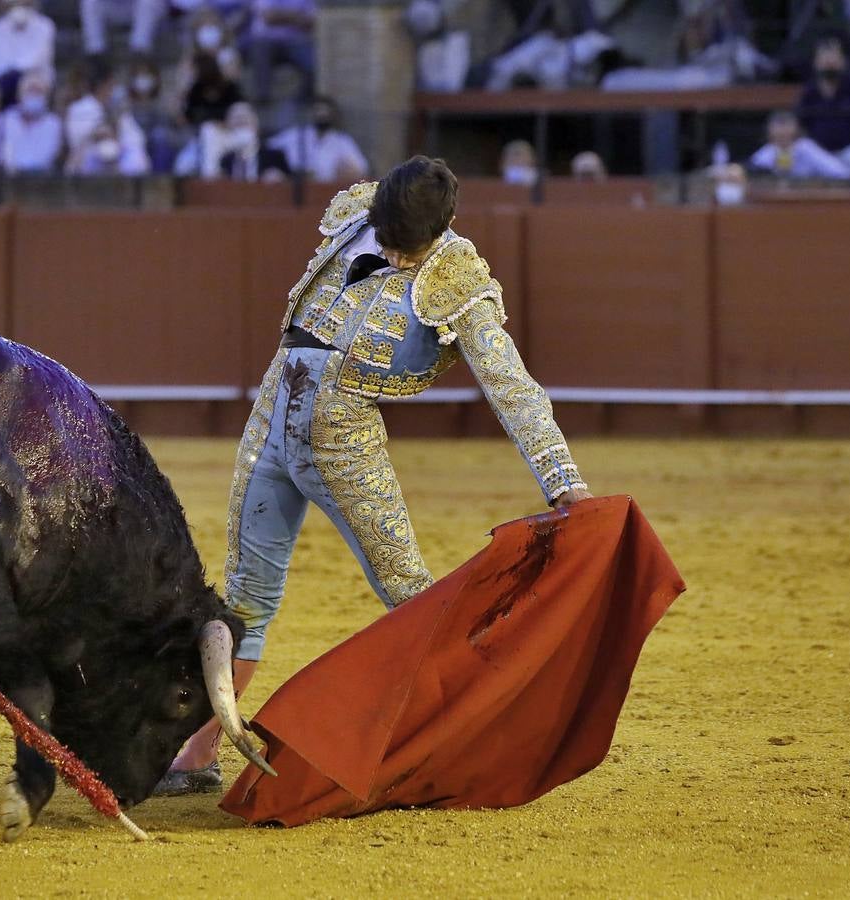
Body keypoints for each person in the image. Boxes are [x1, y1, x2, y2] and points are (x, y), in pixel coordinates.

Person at [155, 156, 591, 795]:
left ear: (438, 233)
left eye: (404, 245)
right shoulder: (355, 216)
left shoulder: (457, 277)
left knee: (411, 594)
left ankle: (467, 740)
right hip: (270, 419)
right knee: (246, 593)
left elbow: (513, 388)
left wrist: (562, 480)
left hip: (344, 440)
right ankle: (196, 757)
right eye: (386, 235)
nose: (390, 251)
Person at [795, 36, 850, 157]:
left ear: (842, 62)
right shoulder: (809, 91)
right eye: (825, 60)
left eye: (834, 59)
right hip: (819, 154)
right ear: (816, 63)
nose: (830, 63)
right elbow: (799, 123)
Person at [267, 95, 369, 184]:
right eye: (318, 111)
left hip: (327, 189)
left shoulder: (342, 141)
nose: (322, 115)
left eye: (325, 112)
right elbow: (269, 147)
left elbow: (361, 169)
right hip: (294, 186)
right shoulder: (296, 135)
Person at [0, 70, 62, 173]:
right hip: (7, 177)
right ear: (19, 94)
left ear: (46, 97)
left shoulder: (53, 123)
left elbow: (50, 154)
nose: (34, 95)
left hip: (41, 180)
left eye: (38, 91)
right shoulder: (2, 120)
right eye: (30, 91)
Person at [0, 0, 54, 106]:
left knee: (29, 84)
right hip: (4, 80)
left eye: (23, 4)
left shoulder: (45, 26)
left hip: (35, 76)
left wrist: (18, 73)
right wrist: (9, 74)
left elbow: (38, 60)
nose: (20, 7)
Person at [242, 0, 315, 104]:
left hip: (296, 41)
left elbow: (311, 21)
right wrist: (296, 16)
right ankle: (263, 98)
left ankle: (302, 102)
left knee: (313, 63)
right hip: (267, 41)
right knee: (260, 48)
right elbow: (268, 17)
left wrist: (280, 16)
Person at [747, 109, 850, 179]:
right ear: (770, 132)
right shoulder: (765, 153)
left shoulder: (806, 148)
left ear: (796, 129)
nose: (783, 132)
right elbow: (749, 175)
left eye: (786, 126)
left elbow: (841, 172)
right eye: (779, 127)